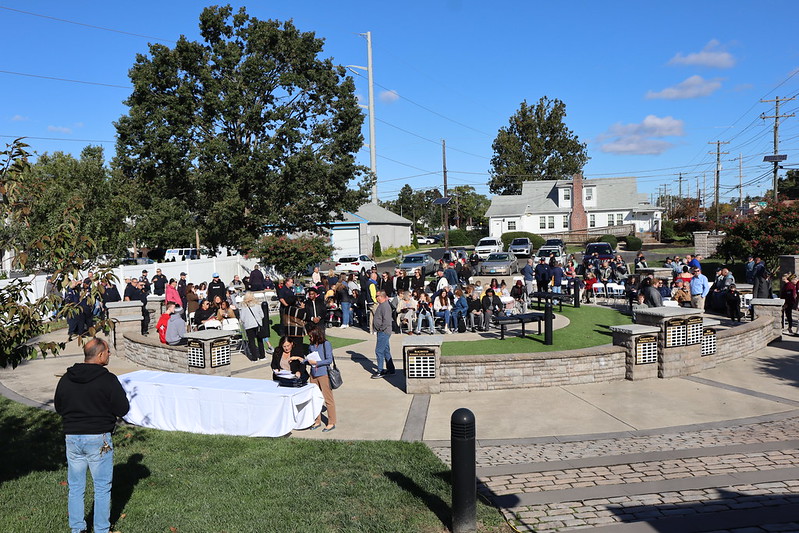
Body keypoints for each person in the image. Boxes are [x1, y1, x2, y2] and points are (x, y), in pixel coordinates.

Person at [54, 338, 130, 533]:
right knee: (102, 487)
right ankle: (101, 529)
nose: (110, 354)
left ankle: (77, 528)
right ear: (100, 355)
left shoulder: (66, 378)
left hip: (72, 437)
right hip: (98, 438)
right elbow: (122, 408)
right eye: (108, 351)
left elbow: (59, 407)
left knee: (76, 486)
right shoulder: (107, 379)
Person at [305, 327, 337, 432]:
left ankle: (331, 422)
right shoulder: (311, 346)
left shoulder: (326, 344)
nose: (309, 338)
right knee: (315, 398)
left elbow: (329, 360)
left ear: (316, 335)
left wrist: (317, 363)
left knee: (328, 399)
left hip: (324, 374)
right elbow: (309, 358)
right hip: (313, 374)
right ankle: (317, 420)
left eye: (311, 336)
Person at [372, 290, 395, 378]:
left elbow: (386, 320)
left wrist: (381, 329)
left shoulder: (385, 306)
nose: (376, 298)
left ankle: (380, 371)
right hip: (383, 331)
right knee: (386, 350)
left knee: (379, 351)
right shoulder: (382, 305)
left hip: (384, 332)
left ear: (382, 297)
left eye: (377, 296)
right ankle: (391, 369)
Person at [240, 292, 267, 360]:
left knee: (251, 342)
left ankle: (254, 358)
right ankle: (262, 356)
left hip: (248, 325)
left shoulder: (243, 306)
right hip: (257, 324)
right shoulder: (257, 304)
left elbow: (242, 318)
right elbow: (262, 315)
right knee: (260, 341)